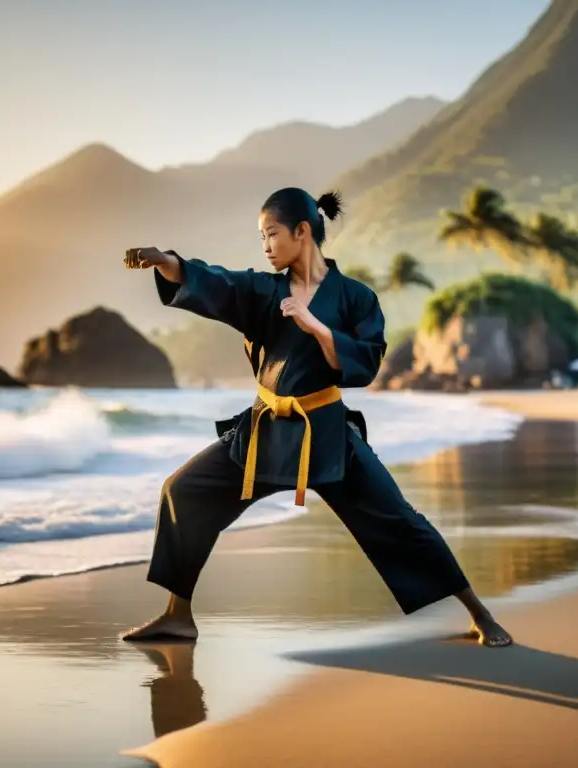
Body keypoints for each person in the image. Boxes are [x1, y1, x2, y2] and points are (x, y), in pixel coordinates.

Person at [121, 187, 512, 647]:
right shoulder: (263, 290)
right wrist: (167, 260)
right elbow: (215, 281)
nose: (265, 246)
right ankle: (177, 615)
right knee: (182, 491)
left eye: (271, 234)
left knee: (401, 522)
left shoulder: (355, 298)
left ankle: (479, 613)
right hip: (265, 432)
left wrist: (316, 326)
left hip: (327, 436)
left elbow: (363, 365)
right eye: (261, 237)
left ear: (302, 232)